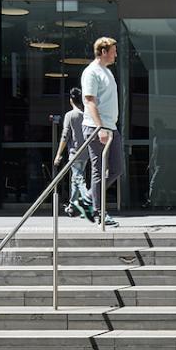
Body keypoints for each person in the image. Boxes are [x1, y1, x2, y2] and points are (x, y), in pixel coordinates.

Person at [80, 35, 121, 226]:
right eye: (113, 52)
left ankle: (87, 198)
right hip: (97, 127)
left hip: (111, 127)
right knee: (98, 171)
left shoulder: (106, 71)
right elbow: (89, 101)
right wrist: (99, 128)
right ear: (103, 52)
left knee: (117, 169)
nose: (115, 55)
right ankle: (98, 212)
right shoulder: (91, 72)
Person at [54, 87, 94, 217]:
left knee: (78, 179)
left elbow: (65, 136)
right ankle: (72, 205)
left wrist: (58, 154)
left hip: (74, 152)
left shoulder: (70, 115)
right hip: (86, 153)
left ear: (71, 100)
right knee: (76, 179)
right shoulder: (86, 115)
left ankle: (88, 201)